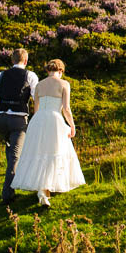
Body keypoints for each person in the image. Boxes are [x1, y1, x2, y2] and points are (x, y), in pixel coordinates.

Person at [11, 58, 85, 206]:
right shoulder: (64, 84)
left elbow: (36, 108)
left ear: (47, 70)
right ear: (60, 71)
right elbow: (66, 109)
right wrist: (72, 125)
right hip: (54, 119)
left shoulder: (39, 85)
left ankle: (43, 189)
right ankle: (46, 189)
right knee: (54, 152)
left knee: (39, 153)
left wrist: (38, 122)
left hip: (38, 120)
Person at [0, 48, 39, 204]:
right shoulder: (30, 75)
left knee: (11, 151)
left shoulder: (1, 75)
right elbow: (36, 97)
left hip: (1, 117)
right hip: (19, 119)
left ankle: (11, 186)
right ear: (26, 61)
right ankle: (7, 194)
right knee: (15, 157)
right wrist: (35, 118)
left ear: (12, 60)